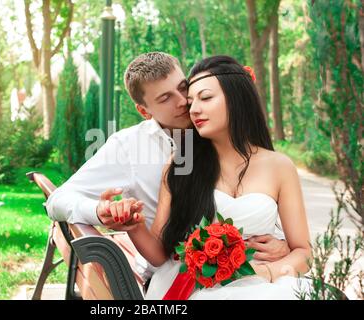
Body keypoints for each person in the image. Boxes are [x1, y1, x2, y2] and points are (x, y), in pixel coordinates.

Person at [45, 52, 290, 285]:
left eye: (183, 87)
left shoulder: (217, 128)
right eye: (165, 98)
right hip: (174, 276)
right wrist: (102, 210)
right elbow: (58, 200)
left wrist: (284, 244)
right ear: (144, 111)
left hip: (248, 272)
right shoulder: (129, 147)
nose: (184, 101)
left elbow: (258, 198)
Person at [113, 55, 313, 300]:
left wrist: (267, 272)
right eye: (191, 101)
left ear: (237, 99)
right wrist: (133, 226)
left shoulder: (279, 166)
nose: (194, 109)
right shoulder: (179, 166)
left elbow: (304, 251)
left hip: (266, 282)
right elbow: (158, 253)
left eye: (205, 98)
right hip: (197, 287)